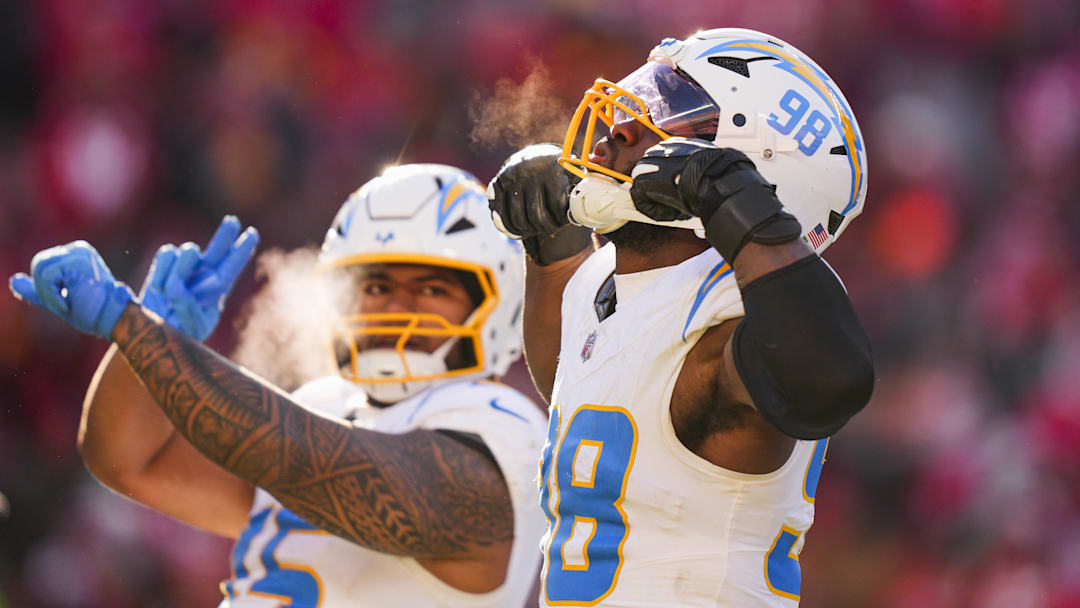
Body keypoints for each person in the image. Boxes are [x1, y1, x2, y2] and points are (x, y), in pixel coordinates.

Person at [11, 164, 547, 607]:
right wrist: (143, 347)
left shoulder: (504, 424)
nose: (394, 307)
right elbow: (130, 461)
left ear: (498, 299)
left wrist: (138, 331)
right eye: (375, 284)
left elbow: (310, 462)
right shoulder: (323, 404)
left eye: (430, 287)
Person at [487, 28, 874, 606]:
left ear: (746, 168)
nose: (621, 125)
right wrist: (551, 251)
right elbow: (589, 392)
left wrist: (742, 213)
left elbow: (831, 380)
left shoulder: (748, 311)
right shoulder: (608, 279)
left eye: (670, 110)